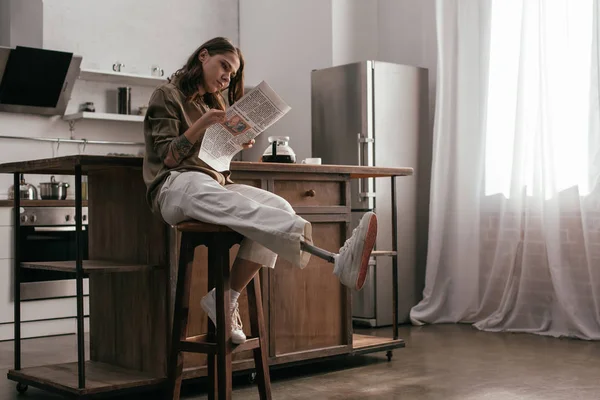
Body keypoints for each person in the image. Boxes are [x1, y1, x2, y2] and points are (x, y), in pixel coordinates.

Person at [142, 37, 377, 345]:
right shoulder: (167, 94)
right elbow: (169, 157)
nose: (227, 78)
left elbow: (214, 162)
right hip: (174, 186)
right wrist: (203, 124)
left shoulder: (214, 104)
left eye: (232, 74)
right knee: (212, 192)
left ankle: (225, 297)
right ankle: (335, 260)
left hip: (212, 184)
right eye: (224, 66)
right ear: (203, 56)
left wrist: (234, 142)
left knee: (278, 207)